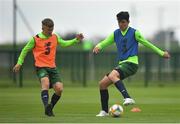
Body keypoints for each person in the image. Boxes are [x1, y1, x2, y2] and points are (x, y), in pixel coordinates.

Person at [93, 11, 170, 117]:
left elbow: (148, 44)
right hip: (122, 64)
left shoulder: (134, 33)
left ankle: (127, 97)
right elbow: (105, 42)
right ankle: (105, 111)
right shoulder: (116, 33)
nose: (121, 24)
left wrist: (162, 53)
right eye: (119, 22)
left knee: (112, 75)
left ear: (128, 22)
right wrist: (98, 46)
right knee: (102, 84)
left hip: (131, 64)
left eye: (123, 22)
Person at [13, 18, 84, 117]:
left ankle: (50, 108)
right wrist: (19, 63)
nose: (51, 31)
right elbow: (25, 50)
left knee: (59, 89)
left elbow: (64, 43)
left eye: (52, 29)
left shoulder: (55, 37)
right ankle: (46, 106)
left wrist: (76, 40)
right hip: (41, 67)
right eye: (48, 29)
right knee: (45, 83)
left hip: (52, 68)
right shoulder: (35, 39)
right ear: (43, 28)